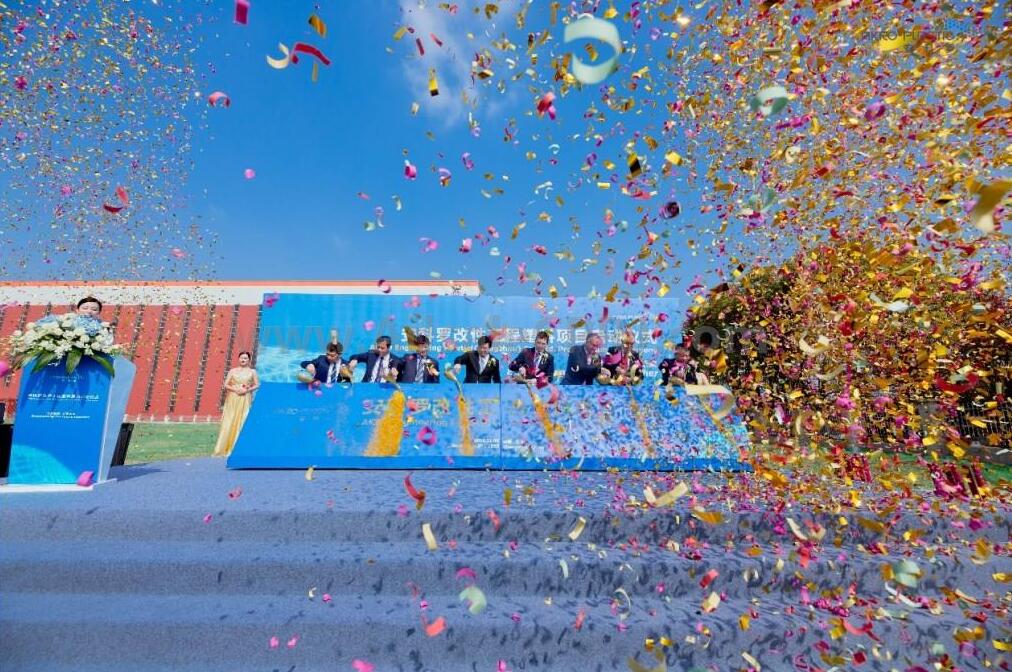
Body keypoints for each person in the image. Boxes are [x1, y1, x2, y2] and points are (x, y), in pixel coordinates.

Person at [213, 351, 259, 457]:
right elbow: (226, 384)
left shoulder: (252, 372)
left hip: (245, 398)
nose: (243, 360)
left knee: (243, 420)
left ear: (249, 360)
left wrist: (247, 390)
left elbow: (257, 384)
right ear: (238, 359)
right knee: (230, 420)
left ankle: (239, 448)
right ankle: (224, 448)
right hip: (233, 398)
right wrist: (235, 389)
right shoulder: (232, 371)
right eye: (241, 358)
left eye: (245, 358)